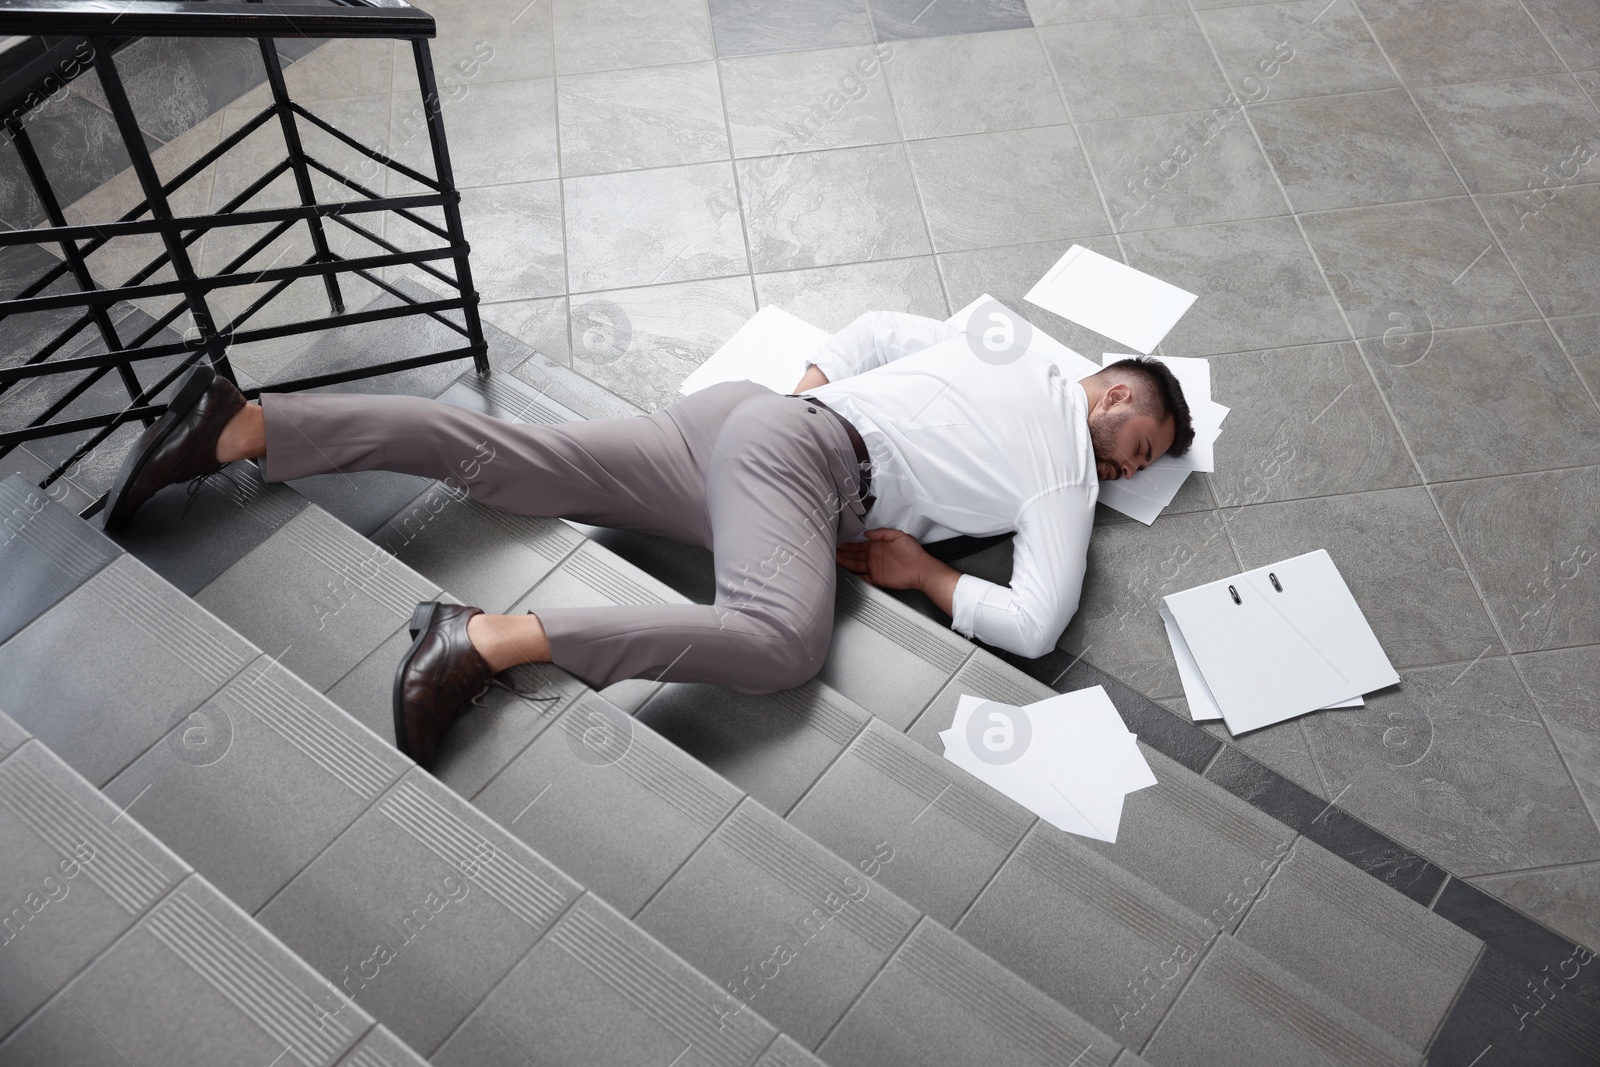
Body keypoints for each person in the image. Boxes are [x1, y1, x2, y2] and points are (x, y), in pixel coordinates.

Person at [102, 310, 1193, 767]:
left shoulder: (993, 342)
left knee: (520, 465)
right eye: (1132, 436)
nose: (1123, 466)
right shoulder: (1060, 461)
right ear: (1102, 389)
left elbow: (864, 330)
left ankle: (242, 423)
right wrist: (928, 572)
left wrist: (802, 395)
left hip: (744, 427)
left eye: (1140, 465)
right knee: (779, 643)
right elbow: (1038, 621)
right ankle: (482, 641)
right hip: (799, 469)